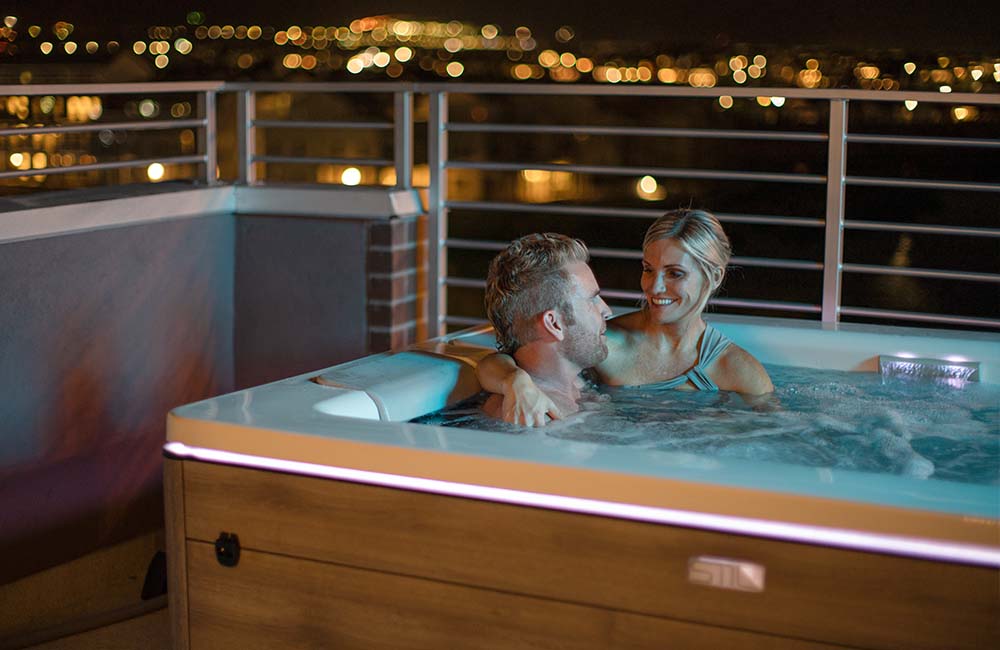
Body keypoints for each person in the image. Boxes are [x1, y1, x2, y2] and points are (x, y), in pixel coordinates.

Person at [478, 209, 774, 426]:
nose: (654, 287)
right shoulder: (609, 342)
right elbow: (514, 355)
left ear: (714, 276)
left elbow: (779, 437)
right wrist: (514, 381)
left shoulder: (739, 372)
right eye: (648, 269)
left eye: (675, 273)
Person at [481, 232, 613, 420]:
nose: (606, 310)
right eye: (592, 299)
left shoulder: (581, 383)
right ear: (554, 324)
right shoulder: (530, 415)